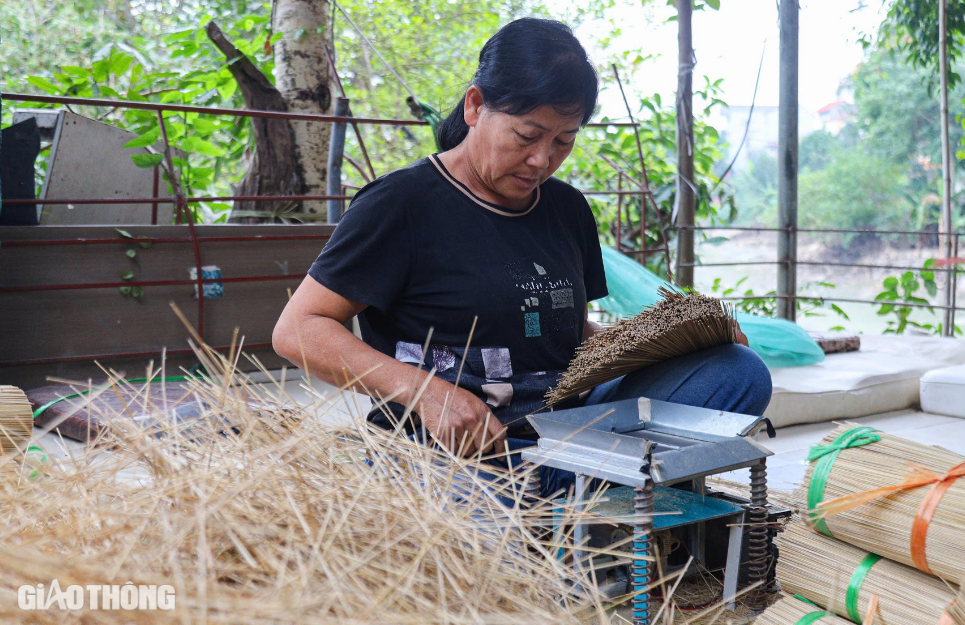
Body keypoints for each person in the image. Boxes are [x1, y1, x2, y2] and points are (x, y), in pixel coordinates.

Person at [273, 17, 771, 497]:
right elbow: (299, 329)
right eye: (527, 136)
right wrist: (426, 393)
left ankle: (574, 502)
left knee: (737, 371)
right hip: (456, 452)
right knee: (492, 537)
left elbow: (571, 337)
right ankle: (579, 509)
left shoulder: (567, 209)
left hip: (570, 437)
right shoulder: (400, 205)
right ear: (475, 106)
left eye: (563, 141)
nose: (542, 160)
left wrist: (674, 342)